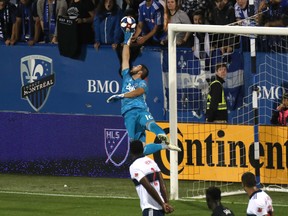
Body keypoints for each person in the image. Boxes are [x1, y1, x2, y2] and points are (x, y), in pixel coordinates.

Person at [107, 25, 181, 155]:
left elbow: (138, 92)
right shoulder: (126, 76)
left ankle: (162, 135)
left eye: (136, 66)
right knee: (137, 149)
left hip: (140, 110)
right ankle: (164, 146)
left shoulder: (143, 84)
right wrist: (126, 40)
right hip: (128, 114)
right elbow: (125, 58)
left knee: (150, 124)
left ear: (140, 71)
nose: (133, 66)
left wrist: (122, 95)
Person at [129, 140, 174, 215]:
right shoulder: (152, 162)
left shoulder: (134, 167)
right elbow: (162, 184)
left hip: (151, 208)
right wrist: (166, 203)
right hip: (160, 209)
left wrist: (163, 204)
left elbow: (148, 187)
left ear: (131, 152)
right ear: (143, 149)